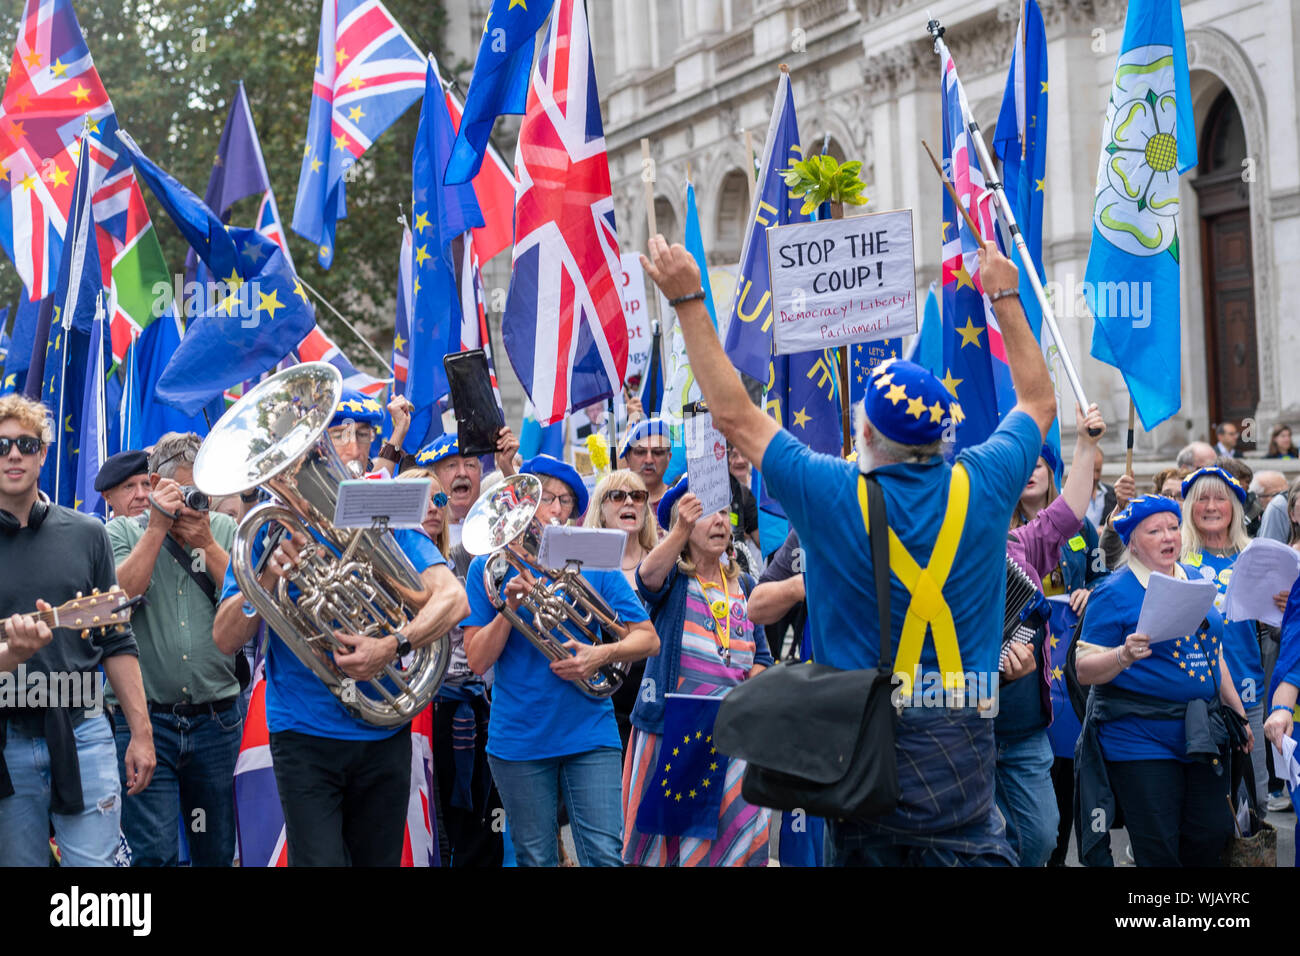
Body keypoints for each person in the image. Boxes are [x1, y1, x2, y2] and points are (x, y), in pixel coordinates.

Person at [641, 234, 1058, 866]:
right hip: (966, 764)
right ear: (944, 441)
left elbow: (734, 415)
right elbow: (1038, 401)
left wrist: (688, 300)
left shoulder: (833, 491)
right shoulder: (988, 479)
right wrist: (1002, 292)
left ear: (865, 434)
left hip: (866, 764)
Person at [211, 387, 469, 866]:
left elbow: (453, 599)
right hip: (303, 733)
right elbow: (226, 637)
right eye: (336, 435)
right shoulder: (264, 531)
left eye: (360, 435)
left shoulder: (386, 518)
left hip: (383, 729)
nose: (349, 447)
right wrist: (268, 572)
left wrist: (392, 645)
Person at [462, 454, 658, 866]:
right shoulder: (485, 568)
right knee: (537, 858)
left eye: (565, 501)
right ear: (519, 504)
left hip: (589, 732)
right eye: (546, 498)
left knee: (604, 855)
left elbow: (647, 639)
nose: (554, 508)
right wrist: (508, 609)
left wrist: (599, 654)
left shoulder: (589, 557)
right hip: (519, 737)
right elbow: (478, 661)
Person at [0, 394, 155, 866]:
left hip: (83, 730)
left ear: (43, 454)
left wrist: (142, 733)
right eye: (2, 446)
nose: (13, 455)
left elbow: (116, 639)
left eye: (26, 444)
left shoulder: (87, 534)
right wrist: (11, 656)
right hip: (5, 738)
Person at [1074, 495, 1253, 867]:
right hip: (1140, 738)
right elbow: (1084, 669)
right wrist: (1123, 655)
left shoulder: (1196, 580)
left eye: (1173, 527)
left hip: (1201, 732)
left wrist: (1237, 712)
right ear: (1133, 542)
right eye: (1155, 531)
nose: (1168, 536)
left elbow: (1213, 652)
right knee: (1158, 847)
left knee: (1211, 833)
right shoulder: (1113, 591)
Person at [106, 432, 242, 867]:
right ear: (154, 484)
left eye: (198, 492)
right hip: (146, 724)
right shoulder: (122, 530)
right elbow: (120, 600)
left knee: (215, 851)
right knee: (155, 854)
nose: (190, 503)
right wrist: (157, 526)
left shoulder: (223, 529)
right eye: (182, 492)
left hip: (216, 722)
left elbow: (250, 599)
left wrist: (207, 544)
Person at [622, 477, 773, 865]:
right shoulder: (673, 578)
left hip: (731, 737)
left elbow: (764, 662)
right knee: (667, 851)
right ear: (684, 524)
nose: (720, 521)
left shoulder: (746, 585)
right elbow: (645, 579)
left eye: (724, 511)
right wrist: (679, 532)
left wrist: (742, 698)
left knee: (731, 847)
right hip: (673, 735)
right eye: (707, 512)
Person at [1001, 405, 1109, 868]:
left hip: (1025, 727)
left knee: (1042, 838)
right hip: (960, 729)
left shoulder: (1016, 546)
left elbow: (1066, 515)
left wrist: (1085, 444)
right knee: (975, 839)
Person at [398, 466, 504, 866]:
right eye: (419, 499)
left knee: (482, 823)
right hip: (424, 710)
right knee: (433, 822)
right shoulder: (387, 570)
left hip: (475, 706)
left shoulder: (461, 559)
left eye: (439, 499)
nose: (433, 508)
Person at [1178, 466, 1278, 811]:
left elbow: (1277, 625)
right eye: (1201, 498)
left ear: (1234, 506)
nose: (1210, 506)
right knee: (1209, 804)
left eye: (1220, 498)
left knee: (1255, 800)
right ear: (1189, 506)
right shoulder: (1175, 557)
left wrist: (1284, 605)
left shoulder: (1254, 556)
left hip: (1247, 691)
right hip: (1194, 696)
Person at [584, 469, 658, 750]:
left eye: (637, 496)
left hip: (652, 697)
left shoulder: (661, 564)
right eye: (617, 496)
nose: (629, 502)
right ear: (601, 511)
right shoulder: (587, 566)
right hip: (605, 702)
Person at [411, 430, 519, 547]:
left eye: (470, 465)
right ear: (434, 478)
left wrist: (507, 468)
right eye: (451, 465)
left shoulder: (496, 525)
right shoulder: (418, 534)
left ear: (480, 474)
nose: (462, 473)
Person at [618, 419, 673, 522]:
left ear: (668, 458)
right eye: (640, 452)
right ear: (627, 459)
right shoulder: (614, 505)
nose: (649, 460)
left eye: (657, 452)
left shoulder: (680, 502)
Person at [95, 450, 151, 520]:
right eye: (129, 486)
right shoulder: (100, 531)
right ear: (108, 497)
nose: (141, 495)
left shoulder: (166, 529)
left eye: (147, 484)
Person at [1085, 445, 1117, 531]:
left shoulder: (1114, 494)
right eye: (1091, 470)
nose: (1095, 476)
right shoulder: (1067, 498)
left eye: (1098, 470)